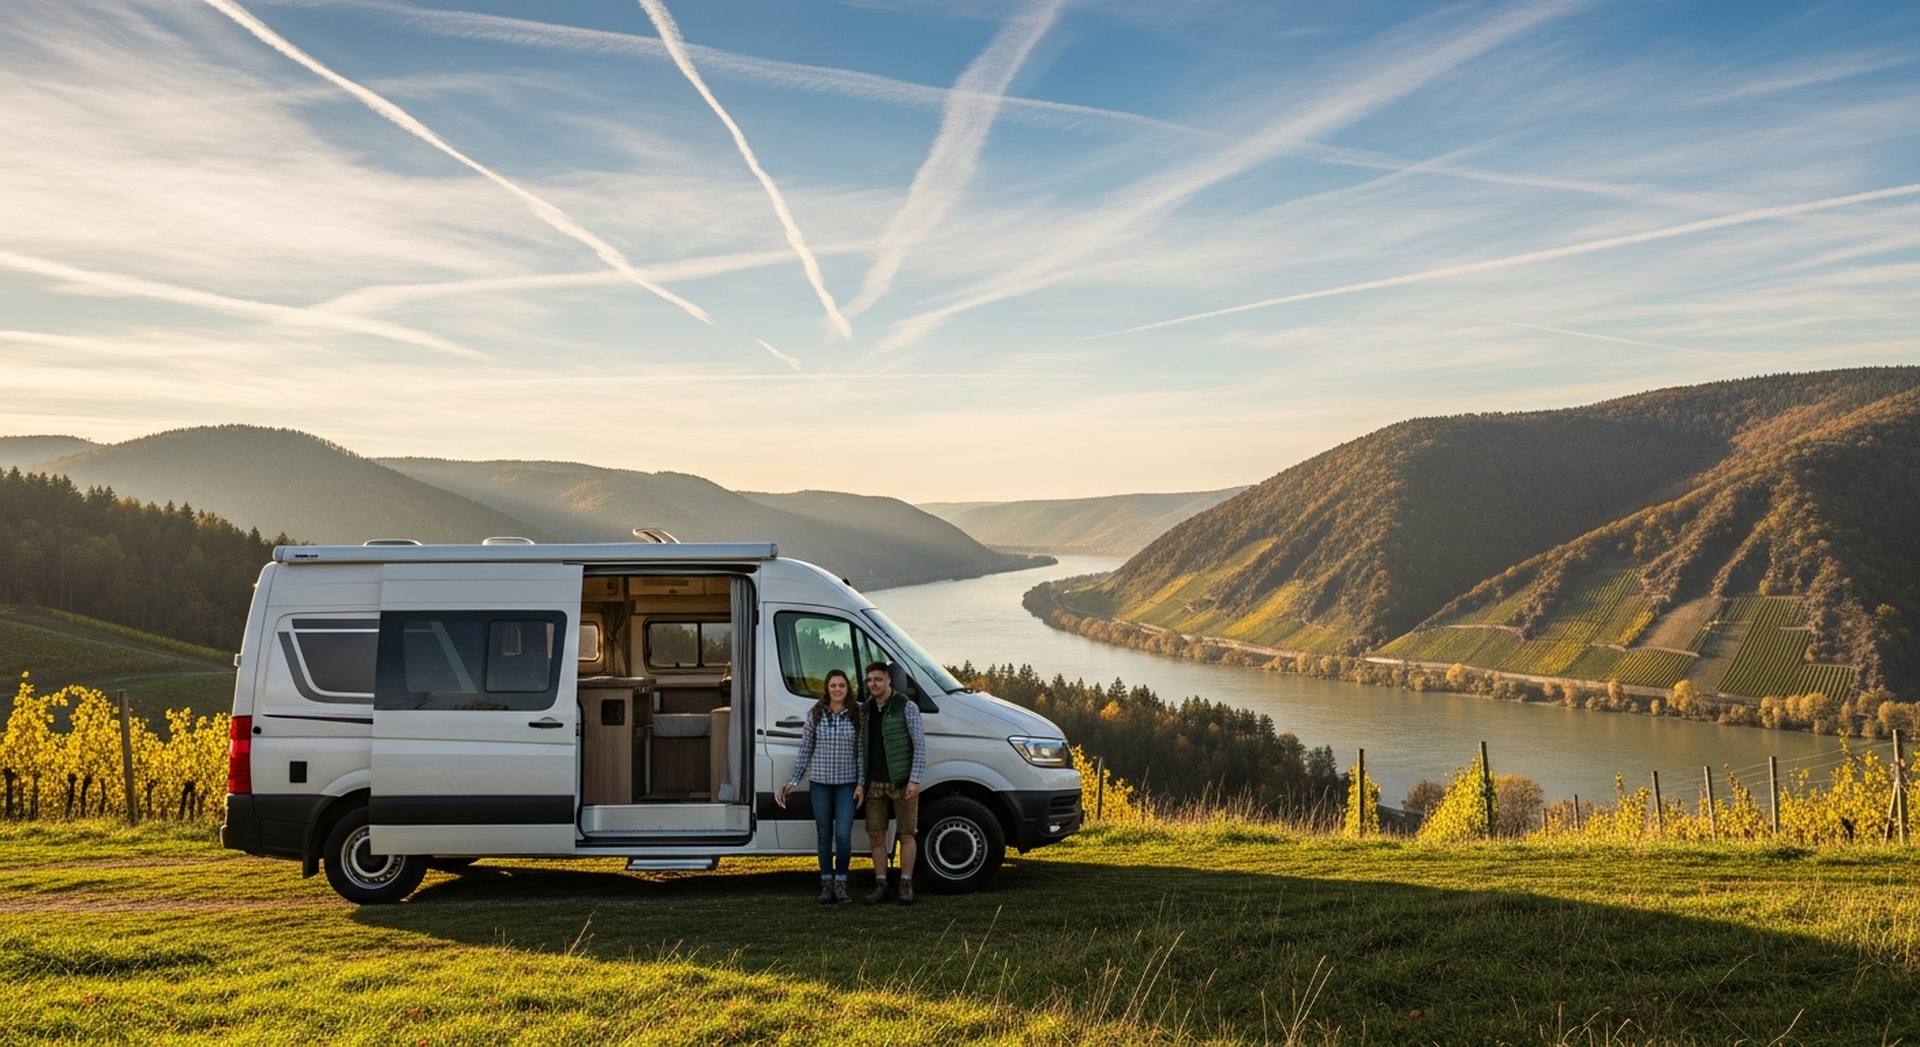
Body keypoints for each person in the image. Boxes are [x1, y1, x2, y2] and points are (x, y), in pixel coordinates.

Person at [776, 668, 865, 904]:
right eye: (833, 685)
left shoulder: (857, 714)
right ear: (826, 688)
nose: (837, 689)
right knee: (824, 834)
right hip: (820, 784)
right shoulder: (815, 714)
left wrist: (861, 784)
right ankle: (826, 884)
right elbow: (806, 749)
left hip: (847, 785)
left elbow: (861, 754)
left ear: (848, 689)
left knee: (843, 836)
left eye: (842, 686)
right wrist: (793, 780)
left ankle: (842, 883)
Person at [861, 661, 925, 905]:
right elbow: (861, 750)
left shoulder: (906, 707)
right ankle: (881, 884)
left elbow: (919, 745)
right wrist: (861, 782)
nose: (873, 684)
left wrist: (914, 779)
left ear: (889, 680)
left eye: (878, 679)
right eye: (869, 680)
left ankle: (906, 883)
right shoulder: (866, 710)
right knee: (876, 835)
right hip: (875, 784)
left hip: (902, 781)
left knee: (907, 834)